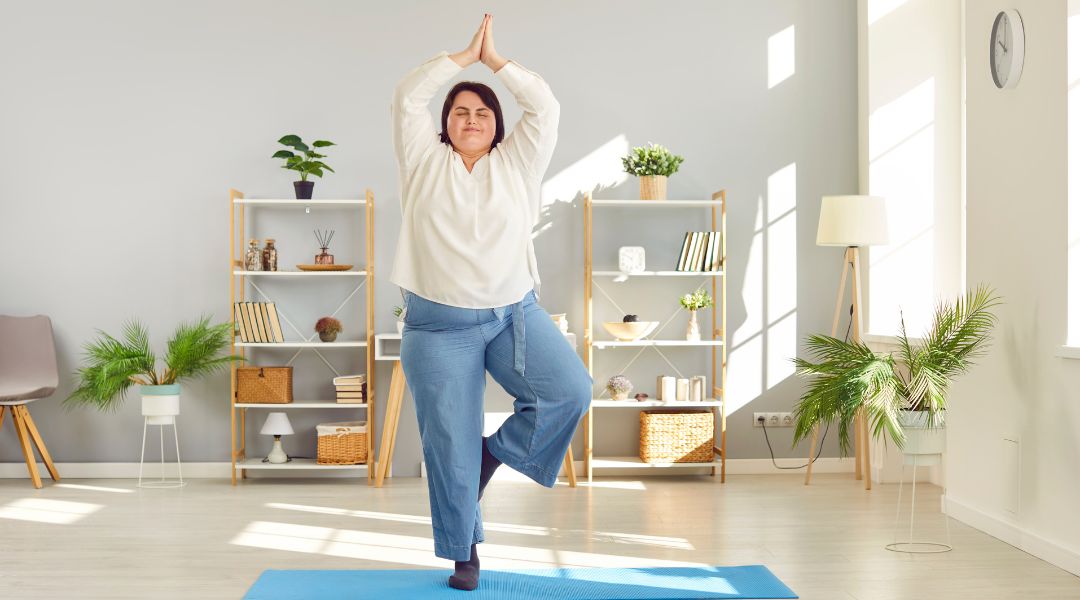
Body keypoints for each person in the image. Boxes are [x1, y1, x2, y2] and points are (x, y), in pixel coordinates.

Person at [388, 13, 593, 592]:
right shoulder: (422, 161)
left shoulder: (518, 162)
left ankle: (492, 456)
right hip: (435, 326)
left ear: (497, 125)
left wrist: (496, 63)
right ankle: (464, 554)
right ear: (445, 124)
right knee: (447, 440)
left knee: (570, 392)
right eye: (459, 111)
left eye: (482, 112)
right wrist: (460, 58)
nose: (471, 119)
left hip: (512, 315)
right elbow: (408, 97)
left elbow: (545, 108)